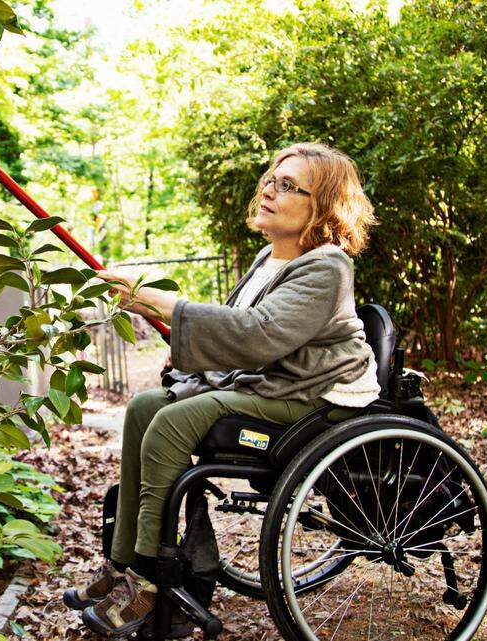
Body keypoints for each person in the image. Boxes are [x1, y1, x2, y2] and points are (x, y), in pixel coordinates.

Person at [63, 142, 380, 638]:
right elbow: (236, 331)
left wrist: (160, 299)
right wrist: (143, 306)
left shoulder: (327, 266)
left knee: (173, 421)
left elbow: (256, 334)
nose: (270, 191)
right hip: (268, 382)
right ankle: (122, 561)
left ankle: (150, 579)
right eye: (271, 180)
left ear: (322, 206)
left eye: (289, 186)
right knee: (146, 406)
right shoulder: (267, 259)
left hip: (311, 397)